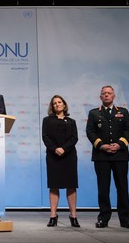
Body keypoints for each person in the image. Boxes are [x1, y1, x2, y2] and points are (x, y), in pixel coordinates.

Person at [86, 85, 129, 229]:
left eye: (109, 93)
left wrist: (119, 144)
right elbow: (90, 132)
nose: (106, 95)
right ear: (100, 97)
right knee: (103, 189)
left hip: (120, 155)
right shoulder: (94, 113)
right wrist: (101, 145)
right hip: (101, 156)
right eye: (104, 93)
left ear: (114, 96)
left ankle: (125, 220)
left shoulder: (123, 112)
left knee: (122, 188)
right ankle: (103, 218)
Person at [42, 95, 80, 228]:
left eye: (59, 102)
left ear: (64, 105)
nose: (57, 104)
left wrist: (64, 148)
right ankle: (53, 216)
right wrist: (55, 149)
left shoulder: (71, 121)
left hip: (69, 156)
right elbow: (45, 137)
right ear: (52, 107)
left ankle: (73, 216)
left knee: (71, 185)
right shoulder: (47, 120)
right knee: (54, 185)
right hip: (53, 156)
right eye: (54, 103)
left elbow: (74, 138)